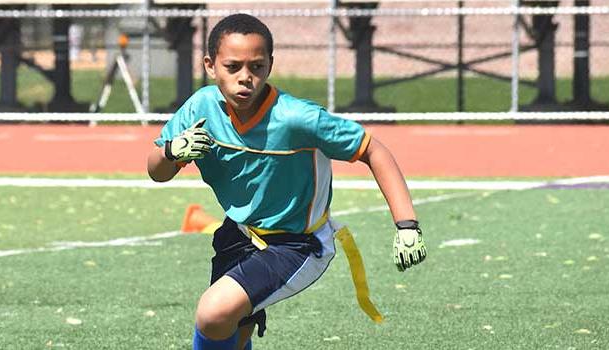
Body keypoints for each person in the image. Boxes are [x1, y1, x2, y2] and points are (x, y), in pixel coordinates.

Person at [146, 13, 426, 350]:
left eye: (256, 67)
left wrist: (407, 224)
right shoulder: (199, 109)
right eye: (232, 67)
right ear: (210, 65)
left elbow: (373, 150)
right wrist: (172, 153)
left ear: (270, 65)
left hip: (298, 244)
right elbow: (157, 171)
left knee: (213, 312)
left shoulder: (297, 118)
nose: (245, 78)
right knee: (231, 331)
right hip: (239, 232)